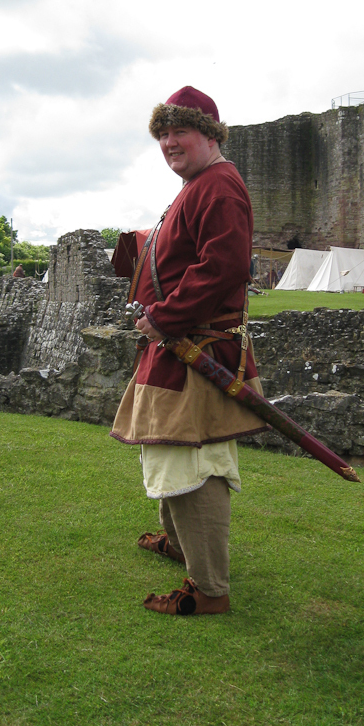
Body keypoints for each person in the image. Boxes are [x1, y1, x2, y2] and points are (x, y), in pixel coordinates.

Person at [110, 86, 267, 616]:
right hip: (177, 345)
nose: (170, 142)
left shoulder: (218, 186)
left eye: (180, 131)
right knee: (167, 449)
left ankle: (208, 590)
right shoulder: (198, 186)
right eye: (163, 134)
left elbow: (222, 268)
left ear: (210, 134)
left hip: (195, 349)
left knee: (192, 460)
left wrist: (163, 316)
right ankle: (179, 546)